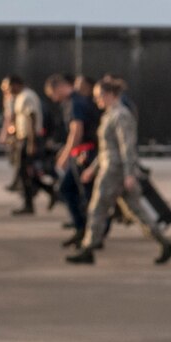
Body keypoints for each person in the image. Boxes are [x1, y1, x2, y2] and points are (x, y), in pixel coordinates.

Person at [67, 74, 171, 266]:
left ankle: (88, 248)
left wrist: (128, 173)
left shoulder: (121, 116)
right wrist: (93, 169)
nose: (96, 100)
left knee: (97, 209)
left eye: (99, 95)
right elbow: (106, 149)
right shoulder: (110, 115)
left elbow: (126, 147)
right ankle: (165, 244)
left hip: (114, 170)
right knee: (137, 211)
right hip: (110, 167)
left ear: (109, 94)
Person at [54, 75, 102, 240]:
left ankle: (90, 233)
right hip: (82, 153)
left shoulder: (76, 103)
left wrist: (66, 155)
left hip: (85, 154)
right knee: (73, 190)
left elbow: (77, 131)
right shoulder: (76, 102)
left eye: (53, 93)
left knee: (83, 194)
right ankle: (84, 230)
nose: (54, 98)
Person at [4, 75, 44, 214]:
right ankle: (30, 202)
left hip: (29, 138)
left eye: (10, 87)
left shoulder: (27, 96)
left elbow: (32, 118)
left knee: (25, 171)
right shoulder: (20, 96)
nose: (8, 90)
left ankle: (30, 203)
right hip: (23, 138)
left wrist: (31, 143)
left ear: (17, 84)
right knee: (23, 171)